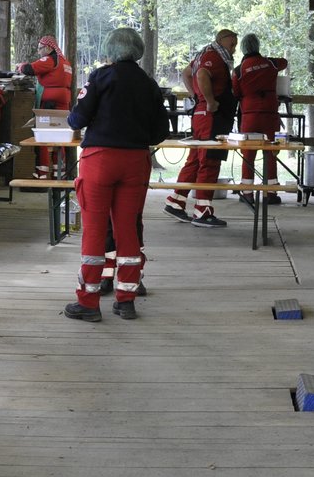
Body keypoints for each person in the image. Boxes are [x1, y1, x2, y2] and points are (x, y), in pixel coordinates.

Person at [63, 27, 169, 322]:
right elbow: (161, 131)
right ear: (137, 51)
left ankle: (88, 301)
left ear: (110, 51)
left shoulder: (99, 77)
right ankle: (126, 300)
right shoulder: (149, 84)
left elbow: (78, 118)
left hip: (100, 160)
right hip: (135, 161)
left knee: (95, 230)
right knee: (128, 229)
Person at [165, 28, 239, 228]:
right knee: (209, 160)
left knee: (195, 160)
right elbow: (202, 75)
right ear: (222, 40)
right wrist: (209, 100)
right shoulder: (213, 58)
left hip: (200, 115)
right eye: (232, 44)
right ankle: (202, 210)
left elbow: (187, 73)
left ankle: (176, 201)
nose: (234, 48)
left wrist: (194, 97)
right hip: (211, 116)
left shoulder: (202, 56)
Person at [232, 33, 289, 208]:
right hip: (270, 113)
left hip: (250, 114)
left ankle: (247, 193)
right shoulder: (270, 63)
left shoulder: (238, 70)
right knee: (270, 151)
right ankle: (271, 192)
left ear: (242, 48)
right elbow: (284, 62)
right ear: (257, 46)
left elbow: (235, 92)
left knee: (248, 153)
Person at [18, 35, 74, 179]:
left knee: (43, 135)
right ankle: (59, 172)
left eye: (40, 48)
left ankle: (42, 172)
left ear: (49, 48)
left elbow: (30, 69)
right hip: (63, 102)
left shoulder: (50, 59)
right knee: (60, 136)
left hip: (49, 104)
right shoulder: (65, 62)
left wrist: (21, 66)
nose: (39, 52)